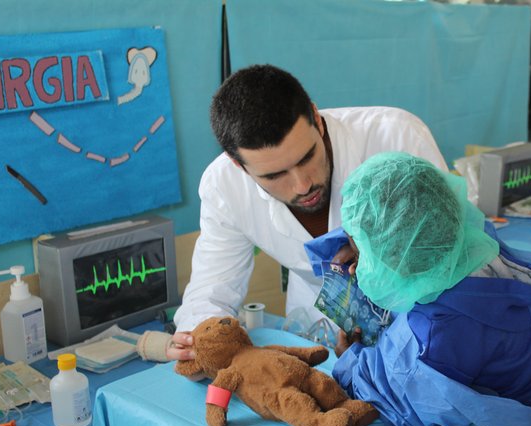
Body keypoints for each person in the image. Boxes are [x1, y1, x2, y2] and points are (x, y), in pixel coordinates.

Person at [305, 152, 531, 426]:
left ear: (391, 256)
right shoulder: (470, 239)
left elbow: (404, 404)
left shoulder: (435, 334)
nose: (352, 252)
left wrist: (349, 360)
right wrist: (361, 248)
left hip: (521, 401)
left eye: (356, 245)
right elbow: (399, 228)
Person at [167, 65, 448, 361]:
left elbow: (459, 255)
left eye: (307, 157)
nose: (303, 185)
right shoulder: (224, 185)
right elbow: (211, 291)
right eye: (275, 175)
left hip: (423, 324)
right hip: (316, 328)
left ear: (317, 119)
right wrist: (201, 341)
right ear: (240, 166)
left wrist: (387, 260)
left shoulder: (395, 136)